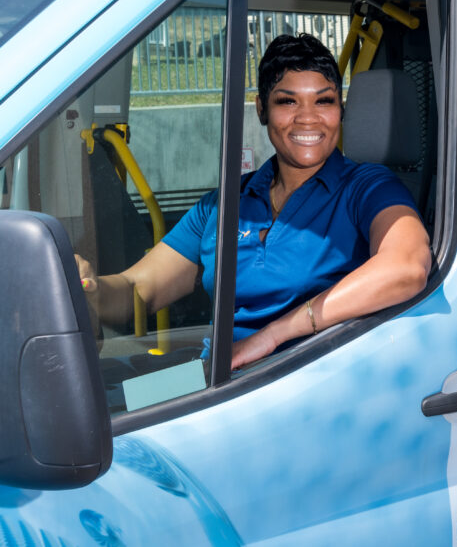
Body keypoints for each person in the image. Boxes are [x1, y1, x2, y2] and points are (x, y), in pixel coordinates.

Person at [77, 33, 432, 370]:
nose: (307, 117)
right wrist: (89, 287)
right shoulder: (222, 204)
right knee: (120, 402)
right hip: (216, 377)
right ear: (262, 109)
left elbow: (408, 266)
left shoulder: (367, 187)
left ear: (341, 108)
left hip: (299, 381)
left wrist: (273, 335)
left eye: (324, 100)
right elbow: (138, 290)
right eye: (287, 101)